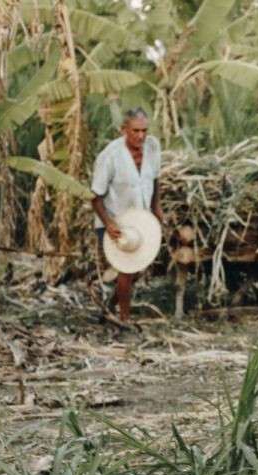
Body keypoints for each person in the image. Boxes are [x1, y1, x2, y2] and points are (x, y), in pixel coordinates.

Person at [91, 107, 166, 323]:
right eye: (135, 131)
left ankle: (109, 307)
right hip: (115, 219)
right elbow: (95, 196)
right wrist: (108, 223)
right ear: (124, 129)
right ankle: (125, 319)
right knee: (126, 270)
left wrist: (156, 207)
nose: (141, 136)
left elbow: (155, 178)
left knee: (136, 269)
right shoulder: (110, 156)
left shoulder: (153, 146)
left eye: (144, 130)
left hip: (141, 219)